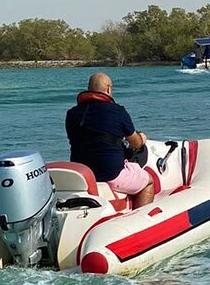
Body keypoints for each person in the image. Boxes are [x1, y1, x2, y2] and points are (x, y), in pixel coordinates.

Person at [65, 72, 155, 208]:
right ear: (108, 89)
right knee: (148, 181)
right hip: (110, 174)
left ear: (89, 89)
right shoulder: (117, 111)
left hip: (83, 174)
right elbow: (135, 143)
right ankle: (139, 218)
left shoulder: (71, 114)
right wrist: (142, 138)